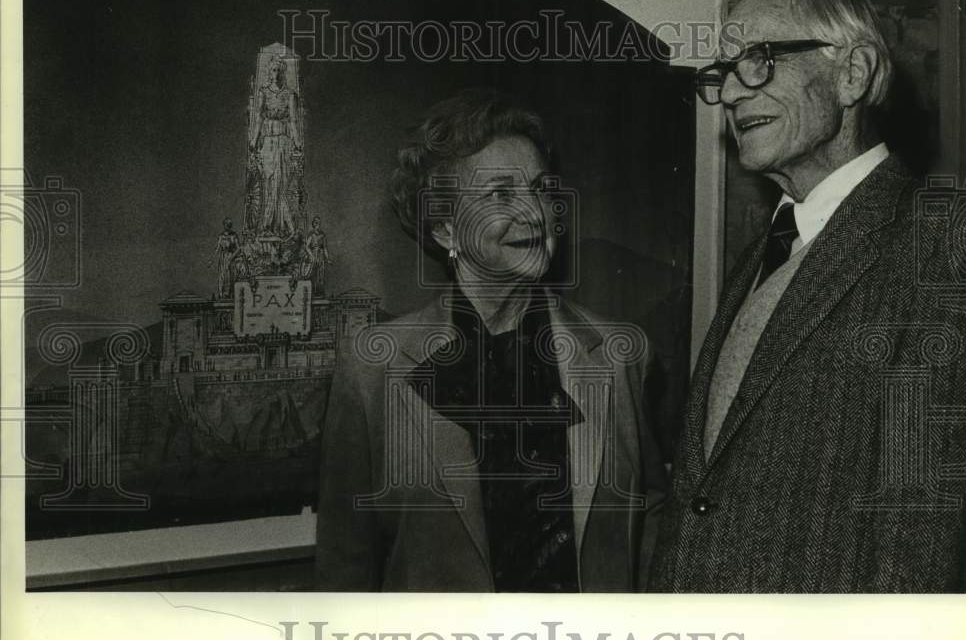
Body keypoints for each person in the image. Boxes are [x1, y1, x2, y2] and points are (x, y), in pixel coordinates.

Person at [647, 0, 966, 592]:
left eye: (758, 62)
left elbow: (921, 538)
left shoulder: (941, 254)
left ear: (852, 74)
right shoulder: (763, 253)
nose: (732, 94)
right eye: (724, 72)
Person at [315, 88, 668, 591]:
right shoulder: (374, 369)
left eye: (542, 189)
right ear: (445, 230)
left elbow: (651, 523)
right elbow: (345, 566)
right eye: (501, 194)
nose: (537, 213)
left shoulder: (619, 355)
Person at [247, 54, 302, 237]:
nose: (276, 73)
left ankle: (279, 226)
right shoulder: (264, 92)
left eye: (279, 70)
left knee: (281, 184)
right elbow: (259, 118)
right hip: (268, 143)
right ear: (269, 72)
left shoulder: (290, 95)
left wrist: (297, 143)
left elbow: (294, 121)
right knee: (269, 183)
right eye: (273, 70)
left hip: (284, 143)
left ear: (283, 72)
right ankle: (269, 225)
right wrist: (254, 141)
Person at [208, 217, 240, 299]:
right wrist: (211, 260)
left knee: (231, 276)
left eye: (229, 225)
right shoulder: (221, 236)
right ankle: (222, 295)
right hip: (223, 259)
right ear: (224, 225)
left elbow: (238, 248)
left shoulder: (234, 235)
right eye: (226, 225)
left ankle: (230, 294)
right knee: (222, 276)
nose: (228, 226)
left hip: (231, 258)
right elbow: (217, 249)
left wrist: (232, 257)